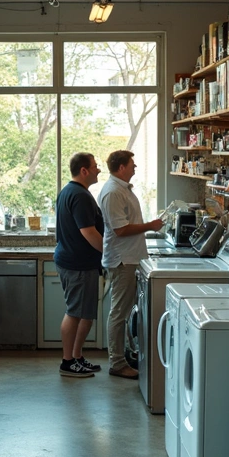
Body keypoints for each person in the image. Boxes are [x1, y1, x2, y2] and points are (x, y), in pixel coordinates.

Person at [98, 150, 163, 379]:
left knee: (123, 312)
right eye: (132, 164)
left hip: (129, 258)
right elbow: (120, 229)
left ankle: (125, 355)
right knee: (118, 313)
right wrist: (150, 226)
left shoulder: (122, 189)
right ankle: (117, 363)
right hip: (122, 259)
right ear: (121, 167)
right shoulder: (113, 192)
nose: (135, 167)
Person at [53, 152, 105, 378]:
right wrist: (110, 252)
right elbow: (89, 233)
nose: (98, 170)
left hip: (75, 260)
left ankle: (76, 357)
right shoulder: (80, 196)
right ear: (84, 170)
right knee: (75, 312)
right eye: (95, 166)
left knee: (85, 313)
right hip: (78, 263)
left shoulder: (69, 191)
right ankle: (67, 362)